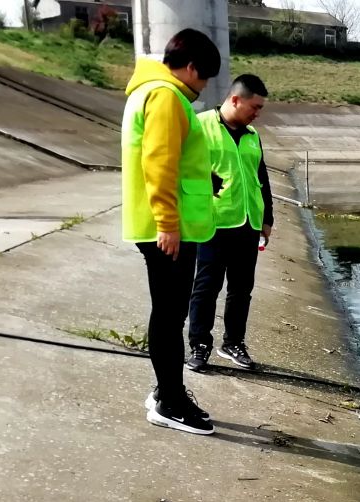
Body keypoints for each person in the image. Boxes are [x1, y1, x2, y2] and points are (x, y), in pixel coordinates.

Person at [122, 28, 220, 435]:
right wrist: (167, 224)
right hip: (166, 229)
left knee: (168, 312)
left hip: (166, 224)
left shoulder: (151, 91)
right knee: (169, 315)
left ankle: (167, 390)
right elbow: (158, 163)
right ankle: (170, 402)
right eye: (205, 77)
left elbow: (172, 160)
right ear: (192, 67)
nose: (204, 86)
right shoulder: (165, 95)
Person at [186, 74, 274, 372]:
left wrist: (267, 219)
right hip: (212, 222)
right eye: (255, 107)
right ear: (235, 100)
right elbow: (183, 171)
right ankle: (199, 344)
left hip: (248, 223)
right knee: (206, 287)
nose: (257, 114)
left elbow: (261, 177)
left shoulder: (252, 135)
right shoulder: (200, 126)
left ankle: (234, 343)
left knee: (241, 289)